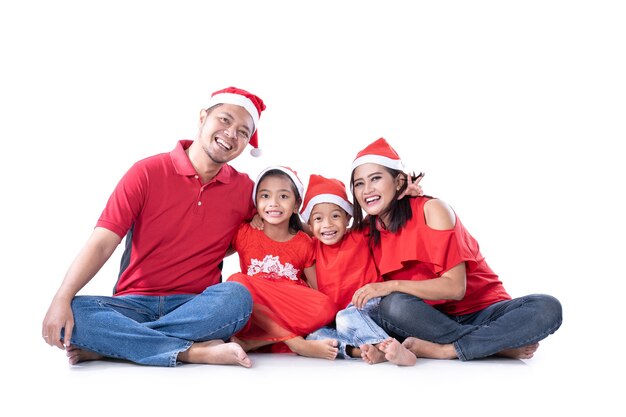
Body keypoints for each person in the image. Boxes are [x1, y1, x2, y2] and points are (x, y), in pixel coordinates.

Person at [41, 86, 268, 368]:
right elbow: (102, 243)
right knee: (75, 311)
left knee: (237, 298)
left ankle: (119, 346)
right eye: (224, 119)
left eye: (243, 132)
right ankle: (191, 352)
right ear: (202, 118)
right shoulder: (147, 172)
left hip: (196, 307)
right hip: (132, 304)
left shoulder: (246, 190)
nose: (232, 133)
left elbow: (270, 231)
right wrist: (61, 297)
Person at [349, 137, 563, 361]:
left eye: (376, 179)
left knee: (548, 307)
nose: (367, 190)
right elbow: (321, 234)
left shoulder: (432, 209)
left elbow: (454, 288)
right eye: (359, 183)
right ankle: (496, 346)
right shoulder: (367, 230)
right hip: (430, 320)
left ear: (399, 180)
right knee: (392, 306)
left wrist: (389, 285)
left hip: (483, 312)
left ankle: (447, 349)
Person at [302, 174, 417, 366]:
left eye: (336, 216)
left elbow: (384, 212)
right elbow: (289, 230)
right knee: (314, 337)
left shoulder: (359, 233)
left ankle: (385, 346)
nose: (328, 224)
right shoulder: (311, 247)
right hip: (347, 323)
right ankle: (360, 351)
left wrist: (404, 195)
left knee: (345, 317)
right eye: (318, 219)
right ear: (310, 225)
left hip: (374, 306)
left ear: (348, 218)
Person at [228, 166, 339, 360]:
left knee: (326, 306)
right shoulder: (245, 232)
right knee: (236, 283)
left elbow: (317, 288)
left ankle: (256, 342)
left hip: (288, 310)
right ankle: (295, 342)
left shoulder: (304, 242)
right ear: (256, 203)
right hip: (256, 313)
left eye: (283, 197)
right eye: (265, 196)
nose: (273, 203)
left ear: (296, 205)